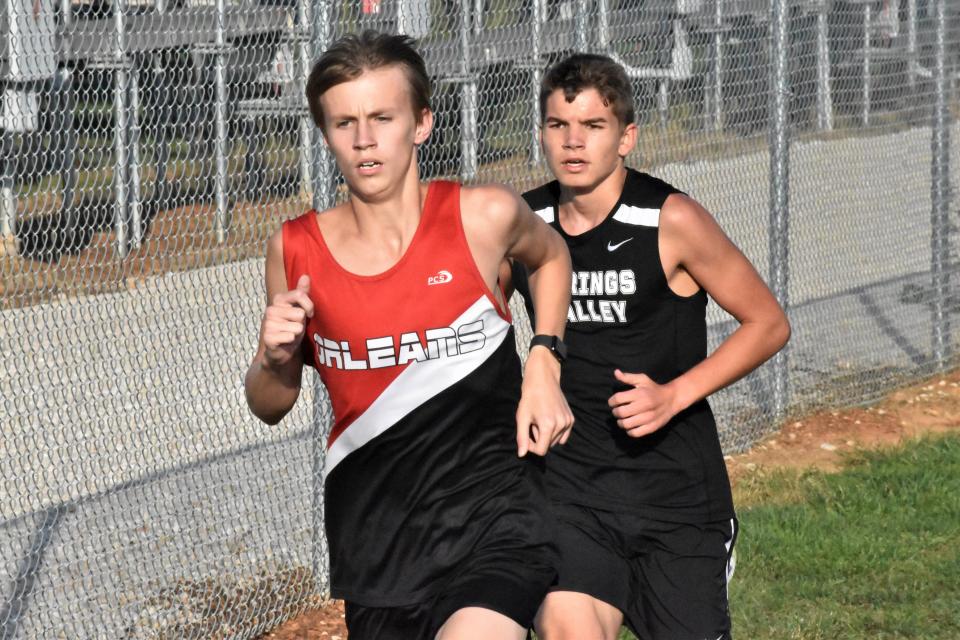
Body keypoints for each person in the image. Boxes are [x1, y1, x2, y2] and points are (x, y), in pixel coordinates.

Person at [244, 31, 574, 640]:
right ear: (324, 134)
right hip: (378, 552)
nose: (364, 139)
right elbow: (271, 404)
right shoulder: (295, 249)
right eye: (344, 122)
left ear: (421, 123)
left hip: (496, 524)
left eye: (381, 117)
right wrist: (273, 357)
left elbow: (552, 259)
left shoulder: (482, 217)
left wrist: (544, 361)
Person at [505, 53, 791, 640]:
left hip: (675, 497)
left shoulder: (670, 218)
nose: (573, 142)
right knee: (566, 624)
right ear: (541, 133)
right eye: (559, 126)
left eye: (593, 126)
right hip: (569, 489)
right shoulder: (523, 223)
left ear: (627, 137)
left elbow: (768, 323)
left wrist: (673, 395)